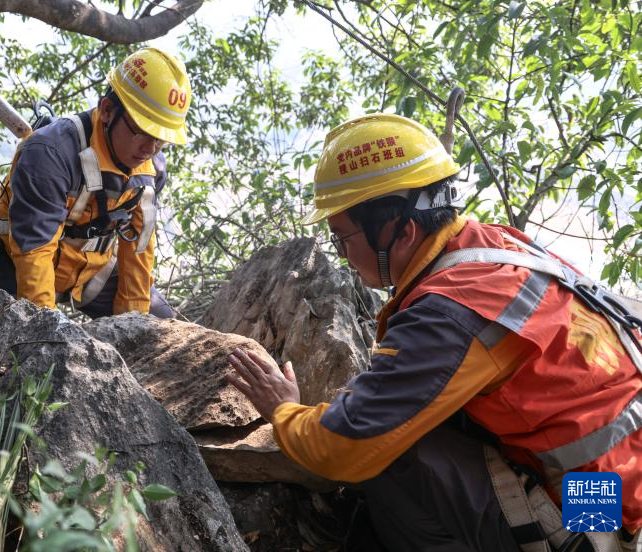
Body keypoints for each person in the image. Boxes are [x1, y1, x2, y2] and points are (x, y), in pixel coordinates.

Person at [226, 113, 642, 551]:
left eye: (342, 238)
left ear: (401, 230)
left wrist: (284, 411)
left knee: (388, 453)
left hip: (594, 515)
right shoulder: (499, 247)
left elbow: (345, 446)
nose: (343, 255)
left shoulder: (452, 309)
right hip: (623, 484)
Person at [0, 48, 191, 319]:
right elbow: (34, 254)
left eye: (160, 139)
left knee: (163, 328)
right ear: (107, 110)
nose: (150, 148)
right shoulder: (49, 154)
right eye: (142, 133)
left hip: (89, 268)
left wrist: (137, 325)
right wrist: (46, 331)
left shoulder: (150, 171)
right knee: (19, 336)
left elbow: (140, 246)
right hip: (18, 263)